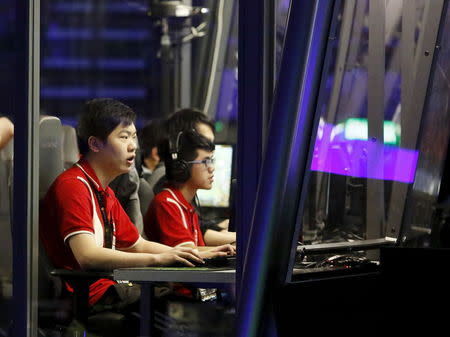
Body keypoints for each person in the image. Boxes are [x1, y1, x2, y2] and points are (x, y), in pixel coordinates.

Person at [39, 98, 234, 314]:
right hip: (91, 296)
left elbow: (137, 244)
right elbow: (87, 256)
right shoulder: (73, 186)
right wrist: (158, 259)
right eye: (123, 137)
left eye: (134, 136)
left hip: (112, 288)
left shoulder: (105, 192)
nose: (133, 145)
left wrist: (197, 254)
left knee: (189, 303)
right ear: (95, 144)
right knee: (180, 310)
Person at [144, 129, 236, 249]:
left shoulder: (186, 205)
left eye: (211, 161)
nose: (211, 168)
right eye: (205, 161)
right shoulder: (167, 203)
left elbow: (196, 249)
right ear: (182, 167)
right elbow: (188, 253)